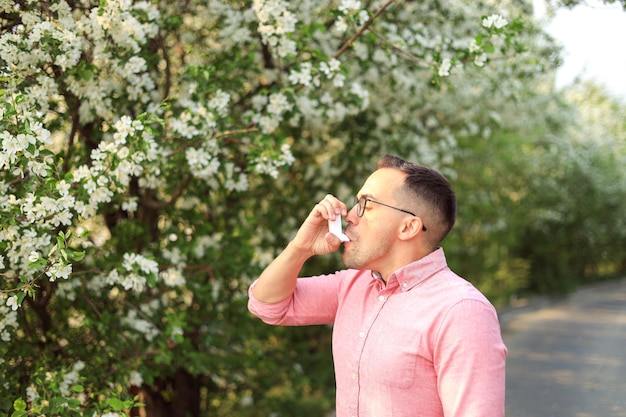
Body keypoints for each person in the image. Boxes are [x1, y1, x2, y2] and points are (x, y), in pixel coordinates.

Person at [248, 154, 507, 417]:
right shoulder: (353, 285)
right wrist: (300, 248)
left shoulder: (461, 311)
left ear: (408, 227)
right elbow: (268, 305)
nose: (349, 216)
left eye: (366, 205)